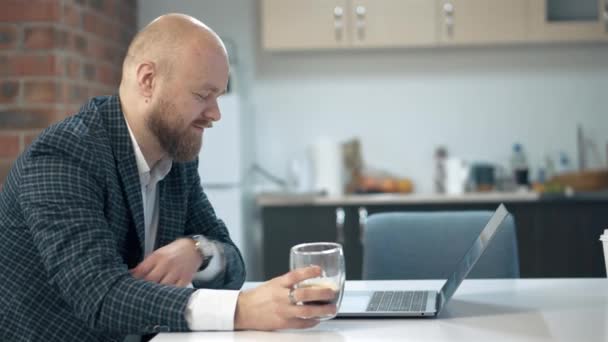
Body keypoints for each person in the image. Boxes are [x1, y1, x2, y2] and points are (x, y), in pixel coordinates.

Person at [0, 13, 337, 342]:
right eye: (202, 96)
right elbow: (99, 295)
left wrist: (198, 251)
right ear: (148, 80)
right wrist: (241, 309)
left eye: (218, 97)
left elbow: (232, 261)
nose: (216, 114)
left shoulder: (175, 157)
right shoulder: (65, 155)